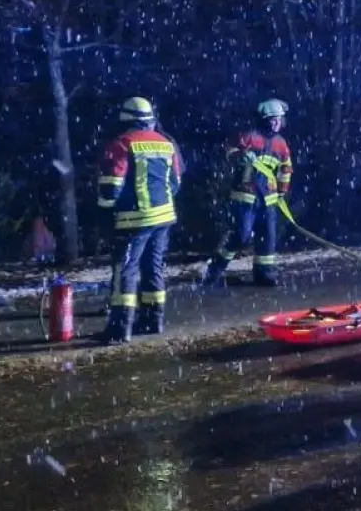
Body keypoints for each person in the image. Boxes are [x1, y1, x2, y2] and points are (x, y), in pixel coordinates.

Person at [97, 98, 184, 343]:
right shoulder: (166, 143)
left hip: (133, 219)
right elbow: (175, 183)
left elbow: (110, 188)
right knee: (153, 268)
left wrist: (104, 212)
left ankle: (119, 329)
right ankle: (152, 321)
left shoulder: (122, 143)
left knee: (125, 270)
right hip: (165, 216)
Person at [202, 99, 293, 288]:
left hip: (268, 200)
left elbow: (286, 169)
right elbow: (229, 151)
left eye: (279, 120)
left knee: (267, 238)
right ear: (264, 120)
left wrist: (282, 192)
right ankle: (214, 271)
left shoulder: (281, 144)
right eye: (273, 120)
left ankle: (264, 274)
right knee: (241, 236)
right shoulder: (250, 137)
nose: (277, 123)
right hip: (245, 198)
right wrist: (239, 156)